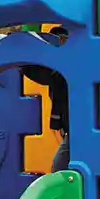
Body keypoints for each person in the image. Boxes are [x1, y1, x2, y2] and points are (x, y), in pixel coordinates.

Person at [22, 26, 70, 173]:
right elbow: (37, 73)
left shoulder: (66, 66)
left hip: (78, 127)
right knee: (61, 164)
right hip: (71, 127)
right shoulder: (56, 71)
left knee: (60, 165)